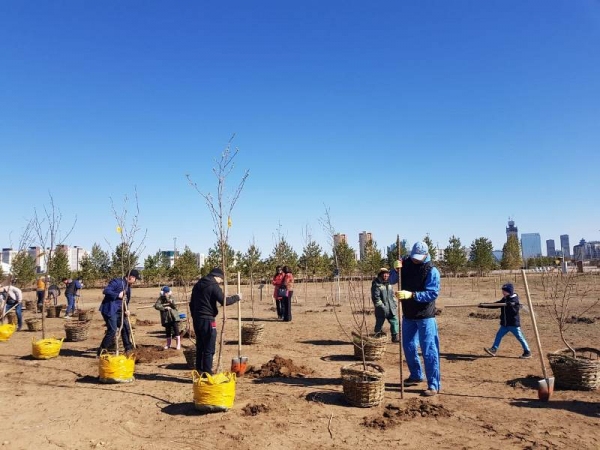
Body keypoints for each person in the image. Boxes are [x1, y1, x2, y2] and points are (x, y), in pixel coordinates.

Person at [395, 241, 442, 397]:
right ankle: (416, 375)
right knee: (408, 346)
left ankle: (433, 385)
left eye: (419, 258)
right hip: (408, 315)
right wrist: (395, 269)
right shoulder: (405, 263)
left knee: (429, 350)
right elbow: (391, 280)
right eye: (414, 257)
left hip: (425, 316)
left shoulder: (431, 270)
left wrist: (412, 295)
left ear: (426, 255)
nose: (416, 260)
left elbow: (432, 293)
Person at [189, 268, 241, 374]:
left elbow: (191, 303)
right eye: (221, 279)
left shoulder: (198, 285)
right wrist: (237, 297)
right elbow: (224, 301)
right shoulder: (213, 285)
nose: (221, 282)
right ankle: (207, 373)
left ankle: (199, 371)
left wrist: (195, 316)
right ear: (217, 277)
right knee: (209, 347)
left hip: (197, 319)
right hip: (208, 320)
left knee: (200, 346)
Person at [480, 283, 532, 359]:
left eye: (505, 291)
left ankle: (527, 352)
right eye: (503, 291)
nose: (503, 293)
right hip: (505, 324)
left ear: (509, 291)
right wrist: (484, 305)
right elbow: (497, 305)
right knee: (499, 335)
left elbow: (515, 311)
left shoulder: (515, 300)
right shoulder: (505, 299)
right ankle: (493, 349)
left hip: (513, 324)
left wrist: (510, 305)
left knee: (520, 337)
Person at [97, 269, 140, 356]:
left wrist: (126, 310)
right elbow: (106, 291)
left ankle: (128, 348)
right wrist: (117, 295)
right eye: (135, 279)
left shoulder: (128, 286)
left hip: (120, 311)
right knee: (112, 330)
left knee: (125, 327)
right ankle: (102, 350)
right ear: (131, 277)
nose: (135, 281)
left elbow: (126, 300)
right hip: (110, 309)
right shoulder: (117, 282)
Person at [371, 267, 399, 342]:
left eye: (387, 274)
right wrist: (382, 306)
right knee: (379, 323)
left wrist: (394, 303)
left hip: (391, 308)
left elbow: (392, 295)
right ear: (380, 275)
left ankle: (395, 337)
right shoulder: (376, 285)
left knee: (395, 322)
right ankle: (377, 337)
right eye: (384, 274)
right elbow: (376, 298)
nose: (386, 275)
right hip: (381, 309)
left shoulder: (389, 283)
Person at [154, 286, 181, 350]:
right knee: (168, 331)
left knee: (176, 330)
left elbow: (175, 306)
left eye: (166, 292)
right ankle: (168, 344)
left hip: (173, 316)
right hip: (166, 317)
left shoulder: (172, 298)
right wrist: (164, 308)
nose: (165, 294)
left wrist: (170, 301)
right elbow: (156, 306)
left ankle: (178, 344)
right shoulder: (160, 299)